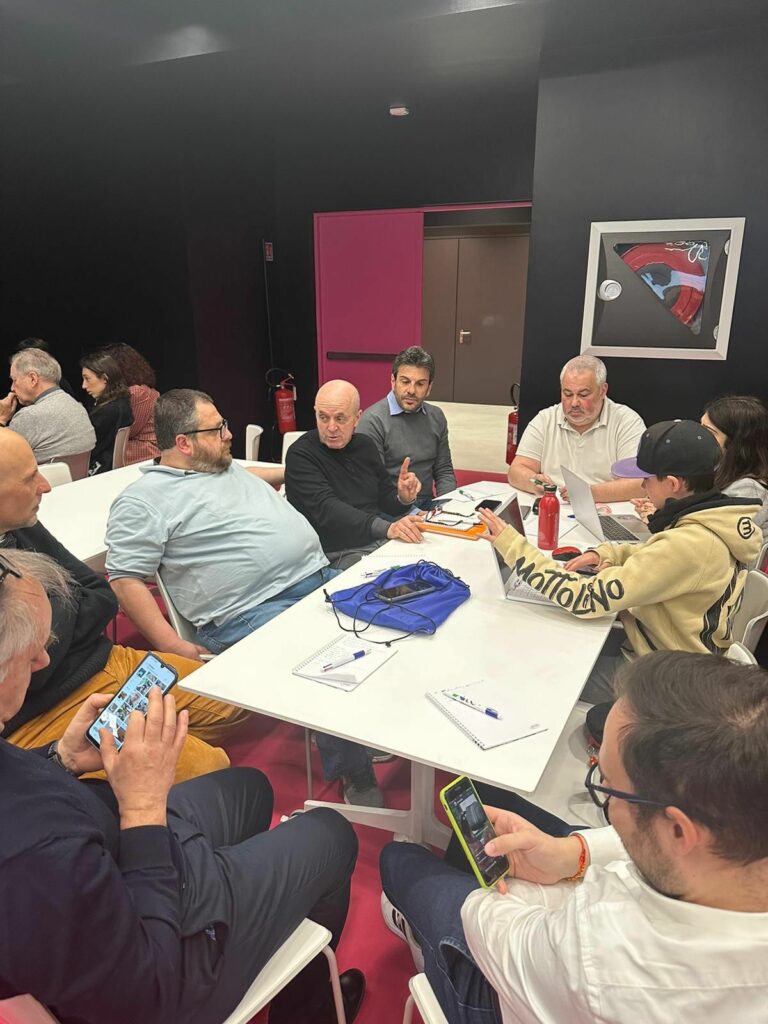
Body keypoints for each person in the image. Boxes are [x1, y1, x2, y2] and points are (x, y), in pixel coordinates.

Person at [0, 548, 366, 1024]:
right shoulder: (31, 853)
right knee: (331, 832)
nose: (45, 659)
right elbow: (142, 996)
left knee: (249, 788)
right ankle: (303, 1009)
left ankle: (231, 906)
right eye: (32, 652)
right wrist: (143, 809)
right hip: (155, 961)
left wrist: (60, 759)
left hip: (111, 853)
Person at [380, 650, 768, 1023]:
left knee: (400, 862)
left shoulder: (607, 964)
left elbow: (496, 927)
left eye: (608, 785)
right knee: (488, 802)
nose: (604, 793)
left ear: (677, 830)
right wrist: (572, 854)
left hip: (518, 981)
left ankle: (431, 950)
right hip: (571, 955)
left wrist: (522, 884)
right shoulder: (732, 835)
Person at [105, 388, 381, 806]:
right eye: (217, 429)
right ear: (183, 443)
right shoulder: (143, 500)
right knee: (327, 655)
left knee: (397, 608)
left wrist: (292, 472)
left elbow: (249, 475)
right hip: (250, 610)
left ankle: (364, 725)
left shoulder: (220, 467)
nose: (229, 434)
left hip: (318, 577)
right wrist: (171, 644)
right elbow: (124, 578)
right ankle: (353, 768)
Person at [0, 428, 246, 781]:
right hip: (37, 716)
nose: (46, 486)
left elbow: (99, 594)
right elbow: (27, 668)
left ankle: (137, 757)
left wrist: (43, 634)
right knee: (212, 768)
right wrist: (66, 619)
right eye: (29, 479)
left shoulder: (18, 522)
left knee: (237, 700)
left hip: (107, 663)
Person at [483, 420, 761, 703]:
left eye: (647, 479)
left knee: (534, 670)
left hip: (662, 683)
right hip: (681, 662)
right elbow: (657, 554)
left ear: (673, 484)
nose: (642, 486)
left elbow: (584, 598)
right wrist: (607, 554)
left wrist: (512, 546)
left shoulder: (689, 544)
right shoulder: (711, 524)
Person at [285, 379, 424, 558]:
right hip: (333, 553)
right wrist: (387, 528)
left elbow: (385, 499)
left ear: (357, 418)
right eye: (323, 417)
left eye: (340, 418)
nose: (331, 427)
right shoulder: (300, 455)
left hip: (375, 539)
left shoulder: (365, 445)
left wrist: (402, 498)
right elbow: (327, 510)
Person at [507, 355, 646, 501]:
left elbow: (640, 483)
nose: (574, 403)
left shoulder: (626, 422)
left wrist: (588, 493)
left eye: (583, 395)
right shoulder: (545, 419)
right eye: (567, 394)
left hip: (606, 506)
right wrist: (534, 481)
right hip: (553, 503)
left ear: (603, 391)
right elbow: (516, 470)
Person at [358, 346, 456, 503]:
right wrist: (408, 507)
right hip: (390, 506)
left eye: (420, 384)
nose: (411, 390)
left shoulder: (436, 416)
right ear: (393, 381)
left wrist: (447, 507)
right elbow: (373, 485)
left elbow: (443, 471)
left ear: (429, 388)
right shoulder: (373, 421)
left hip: (427, 505)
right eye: (405, 382)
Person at [0, 348, 96, 462]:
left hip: (42, 473)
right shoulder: (77, 406)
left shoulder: (30, 415)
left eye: (14, 380)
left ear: (33, 379)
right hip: (79, 474)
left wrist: (2, 419)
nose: (12, 388)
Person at [104, 341, 161, 463]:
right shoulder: (143, 390)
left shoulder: (136, 393)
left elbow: (125, 431)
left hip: (144, 450)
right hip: (141, 448)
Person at [80, 349, 134, 474]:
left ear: (105, 378)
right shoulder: (123, 402)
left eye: (87, 379)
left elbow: (85, 447)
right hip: (110, 467)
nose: (84, 385)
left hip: (97, 470)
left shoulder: (107, 412)